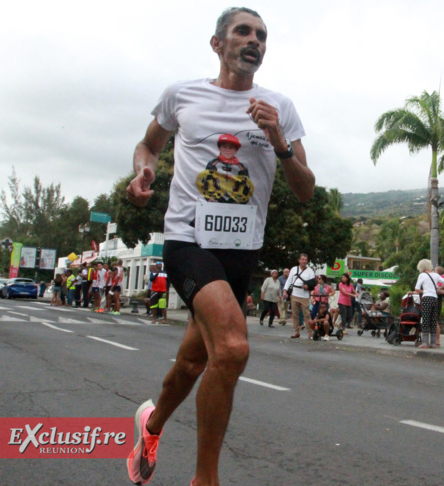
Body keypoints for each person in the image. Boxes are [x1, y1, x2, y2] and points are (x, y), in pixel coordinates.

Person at [124, 7, 315, 486]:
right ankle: (204, 479)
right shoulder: (182, 96)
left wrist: (278, 140)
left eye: (262, 35)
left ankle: (149, 425)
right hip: (188, 240)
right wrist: (143, 170)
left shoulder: (280, 108)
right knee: (230, 348)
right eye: (244, 32)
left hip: (240, 252)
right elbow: (148, 146)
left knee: (193, 361)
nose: (255, 41)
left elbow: (306, 189)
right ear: (218, 44)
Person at [409, 259, 442, 349]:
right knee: (433, 320)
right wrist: (436, 290)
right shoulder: (436, 275)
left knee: (426, 320)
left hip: (426, 298)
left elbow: (416, 289)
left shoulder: (422, 275)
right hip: (435, 299)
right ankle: (433, 343)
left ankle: (425, 343)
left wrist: (425, 291)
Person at [284, 254, 317, 339]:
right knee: (295, 314)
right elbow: (289, 280)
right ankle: (296, 331)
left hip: (304, 295)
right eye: (303, 259)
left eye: (306, 259)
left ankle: (310, 333)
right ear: (299, 260)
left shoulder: (310, 271)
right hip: (294, 294)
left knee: (307, 315)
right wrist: (285, 291)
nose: (304, 261)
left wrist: (308, 287)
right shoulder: (294, 269)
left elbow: (313, 283)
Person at [434, 266, 444, 347]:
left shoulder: (442, 281)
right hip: (434, 301)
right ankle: (434, 340)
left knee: (435, 321)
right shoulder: (433, 279)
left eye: (435, 270)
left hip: (437, 303)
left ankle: (437, 340)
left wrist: (440, 290)